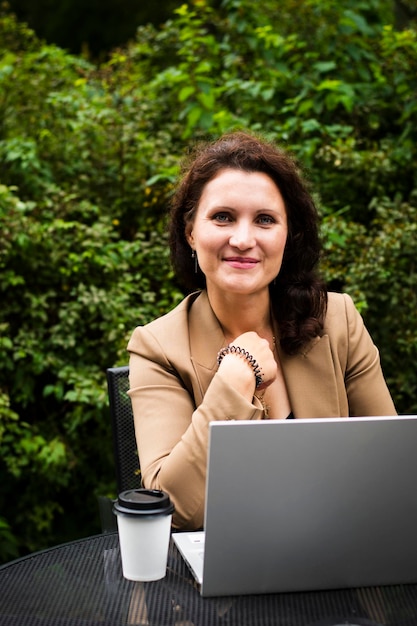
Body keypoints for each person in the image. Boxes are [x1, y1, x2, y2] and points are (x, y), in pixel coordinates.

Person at [127, 131, 396, 530]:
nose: (242, 239)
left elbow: (391, 468)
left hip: (340, 553)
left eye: (265, 220)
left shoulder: (339, 320)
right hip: (218, 577)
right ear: (191, 233)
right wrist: (236, 376)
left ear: (287, 237)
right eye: (223, 217)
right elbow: (176, 510)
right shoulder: (156, 348)